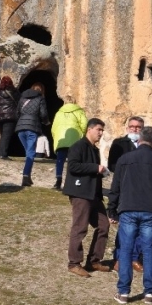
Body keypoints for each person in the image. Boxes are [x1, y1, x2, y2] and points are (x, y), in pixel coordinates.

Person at [107, 126, 152, 304]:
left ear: (139, 139)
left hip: (128, 209)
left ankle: (123, 292)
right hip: (150, 210)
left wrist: (112, 210)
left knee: (126, 250)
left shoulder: (126, 158)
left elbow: (115, 187)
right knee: (149, 251)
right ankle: (150, 293)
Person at [63, 118, 111, 277]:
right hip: (81, 194)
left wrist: (101, 173)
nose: (101, 133)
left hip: (94, 195)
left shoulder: (94, 149)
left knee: (104, 225)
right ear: (89, 129)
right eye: (99, 129)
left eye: (102, 130)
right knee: (80, 227)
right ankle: (74, 263)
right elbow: (74, 166)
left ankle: (94, 260)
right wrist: (95, 168)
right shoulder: (78, 146)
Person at [108, 116, 145, 273]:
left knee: (140, 226)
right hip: (124, 189)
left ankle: (134, 258)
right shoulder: (119, 143)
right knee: (125, 226)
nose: (134, 129)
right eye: (132, 126)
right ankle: (119, 258)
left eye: (138, 127)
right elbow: (112, 165)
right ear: (127, 127)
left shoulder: (147, 146)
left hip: (142, 191)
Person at [15, 83, 49, 187]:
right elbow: (43, 114)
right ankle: (25, 176)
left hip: (20, 128)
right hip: (32, 127)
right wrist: (46, 121)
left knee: (29, 152)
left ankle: (28, 177)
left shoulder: (22, 98)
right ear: (41, 91)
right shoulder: (40, 99)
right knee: (30, 153)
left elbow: (17, 112)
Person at [51, 99, 87, 190]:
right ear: (75, 102)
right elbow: (85, 124)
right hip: (75, 139)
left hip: (61, 138)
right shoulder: (79, 112)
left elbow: (54, 127)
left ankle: (58, 180)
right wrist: (82, 134)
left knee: (60, 160)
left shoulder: (59, 113)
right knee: (73, 161)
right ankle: (70, 181)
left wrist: (56, 136)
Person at [0, 76, 19, 160]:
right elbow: (19, 100)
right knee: (6, 136)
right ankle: (3, 154)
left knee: (3, 135)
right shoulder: (14, 91)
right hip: (9, 116)